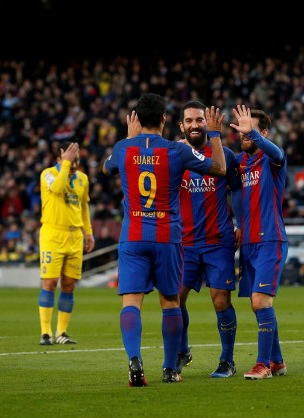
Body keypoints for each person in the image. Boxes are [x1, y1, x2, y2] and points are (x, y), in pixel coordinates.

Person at [103, 93, 226, 386]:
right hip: (167, 236)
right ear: (163, 119)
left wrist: (128, 139)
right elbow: (220, 168)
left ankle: (134, 358)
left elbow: (106, 168)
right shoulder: (176, 151)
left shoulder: (123, 148)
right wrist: (215, 134)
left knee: (131, 303)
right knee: (170, 302)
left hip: (132, 236)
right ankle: (170, 370)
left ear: (137, 118)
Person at [175, 100, 242, 378]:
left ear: (207, 123)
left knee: (220, 301)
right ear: (181, 125)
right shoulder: (175, 155)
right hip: (184, 242)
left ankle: (227, 360)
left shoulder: (224, 154)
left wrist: (239, 221)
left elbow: (237, 190)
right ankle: (182, 350)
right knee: (175, 299)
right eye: (189, 121)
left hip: (218, 240)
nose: (194, 125)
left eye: (199, 120)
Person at [230, 106, 289, 380]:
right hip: (249, 243)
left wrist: (253, 133)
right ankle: (277, 361)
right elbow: (237, 197)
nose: (243, 132)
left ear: (262, 133)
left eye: (249, 128)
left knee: (260, 301)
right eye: (241, 128)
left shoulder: (271, 159)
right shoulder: (240, 162)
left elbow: (278, 152)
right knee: (258, 304)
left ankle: (262, 364)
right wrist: (239, 224)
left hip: (270, 240)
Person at [37, 142, 95, 346]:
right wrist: (65, 165)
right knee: (50, 283)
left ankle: (62, 332)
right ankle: (46, 332)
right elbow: (58, 187)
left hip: (74, 237)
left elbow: (84, 207)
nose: (74, 164)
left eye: (76, 160)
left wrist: (88, 233)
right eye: (70, 159)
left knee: (69, 285)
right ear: (59, 159)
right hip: (52, 234)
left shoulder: (83, 179)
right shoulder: (48, 174)